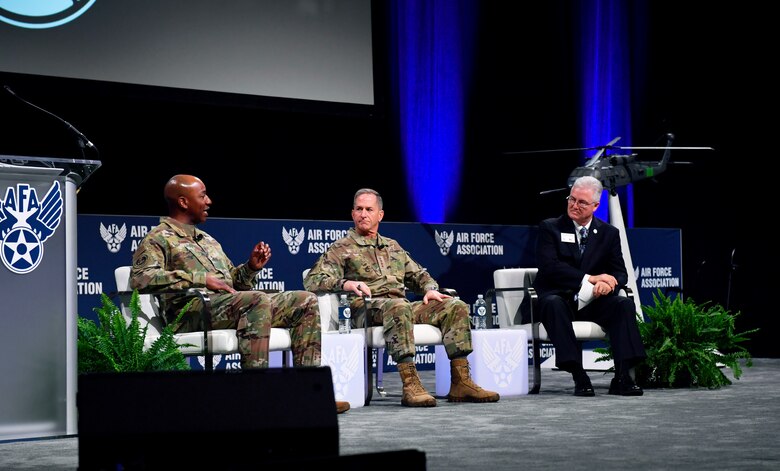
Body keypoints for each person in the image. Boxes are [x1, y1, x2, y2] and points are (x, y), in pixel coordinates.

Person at [130, 174, 350, 413]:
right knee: (254, 300)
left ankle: (307, 394)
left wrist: (250, 268)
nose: (209, 201)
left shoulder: (207, 240)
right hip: (190, 313)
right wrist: (200, 279)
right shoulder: (159, 238)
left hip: (225, 306)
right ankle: (255, 395)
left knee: (303, 300)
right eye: (202, 195)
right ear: (183, 202)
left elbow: (233, 284)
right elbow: (141, 278)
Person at [303, 188, 500, 407]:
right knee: (398, 306)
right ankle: (411, 385)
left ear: (380, 215)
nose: (363, 214)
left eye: (369, 209)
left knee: (454, 306)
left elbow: (418, 274)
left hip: (399, 306)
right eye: (359, 209)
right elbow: (313, 279)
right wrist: (346, 283)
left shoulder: (392, 246)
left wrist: (429, 288)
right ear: (352, 214)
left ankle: (461, 382)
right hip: (363, 308)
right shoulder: (341, 248)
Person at [529, 175, 646, 396]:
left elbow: (620, 272)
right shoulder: (550, 227)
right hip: (558, 297)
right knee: (553, 303)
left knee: (622, 304)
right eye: (571, 199)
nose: (574, 205)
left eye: (582, 202)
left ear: (596, 206)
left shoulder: (609, 234)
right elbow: (550, 267)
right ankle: (578, 375)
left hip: (592, 300)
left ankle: (622, 376)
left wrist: (609, 284)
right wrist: (590, 278)